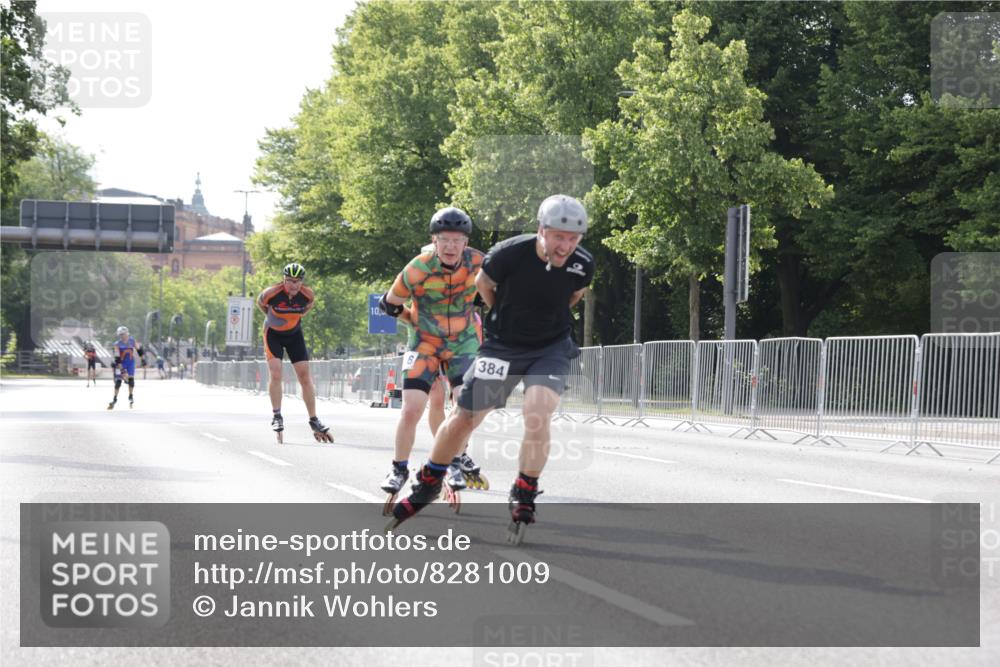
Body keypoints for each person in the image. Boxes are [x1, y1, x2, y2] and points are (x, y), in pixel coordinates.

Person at [387, 195, 594, 543]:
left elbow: (575, 295)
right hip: (503, 346)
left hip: (550, 347)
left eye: (573, 239)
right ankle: (430, 481)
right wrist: (504, 320)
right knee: (467, 416)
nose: (565, 246)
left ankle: (524, 490)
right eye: (558, 237)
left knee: (538, 412)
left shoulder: (582, 263)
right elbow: (484, 286)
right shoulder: (508, 253)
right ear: (541, 231)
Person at [376, 207, 486, 509]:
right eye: (444, 240)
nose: (451, 246)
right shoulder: (418, 267)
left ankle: (451, 456)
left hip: (462, 344)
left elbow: (499, 289)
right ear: (433, 242)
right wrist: (411, 318)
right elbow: (390, 303)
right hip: (424, 343)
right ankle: (399, 469)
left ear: (466, 243)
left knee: (467, 406)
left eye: (457, 240)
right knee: (412, 408)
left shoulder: (478, 262)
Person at [257, 262, 333, 442]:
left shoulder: (307, 295)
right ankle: (277, 415)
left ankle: (314, 419)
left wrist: (291, 320)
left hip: (294, 335)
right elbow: (262, 305)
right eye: (290, 281)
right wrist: (274, 320)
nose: (294, 285)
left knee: (305, 377)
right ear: (283, 280)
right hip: (273, 334)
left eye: (298, 281)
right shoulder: (271, 293)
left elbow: (306, 308)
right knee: (276, 373)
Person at [107, 326, 145, 409]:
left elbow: (139, 350)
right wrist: (122, 370)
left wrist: (143, 360)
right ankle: (114, 399)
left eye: (123, 334)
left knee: (131, 379)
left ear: (127, 333)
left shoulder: (132, 341)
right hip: (120, 363)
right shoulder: (117, 344)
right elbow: (117, 358)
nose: (122, 336)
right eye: (120, 335)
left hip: (130, 362)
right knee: (118, 382)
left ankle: (130, 396)